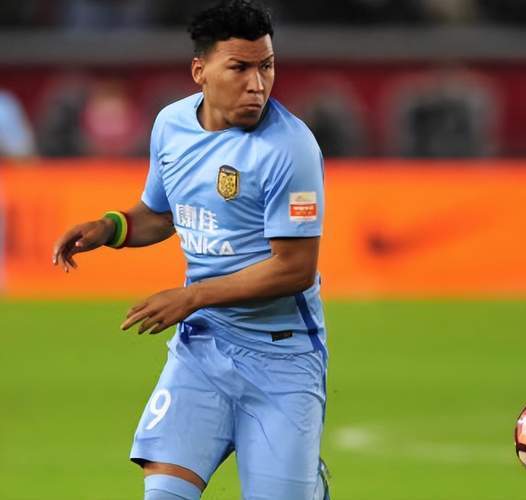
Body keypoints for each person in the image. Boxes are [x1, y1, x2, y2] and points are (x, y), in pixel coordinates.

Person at [51, 2, 329, 499]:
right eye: (240, 68)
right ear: (200, 71)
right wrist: (110, 227)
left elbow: (294, 270)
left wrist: (192, 296)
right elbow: (162, 213)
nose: (258, 84)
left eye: (266, 66)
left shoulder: (290, 148)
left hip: (281, 359)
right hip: (201, 349)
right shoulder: (171, 125)